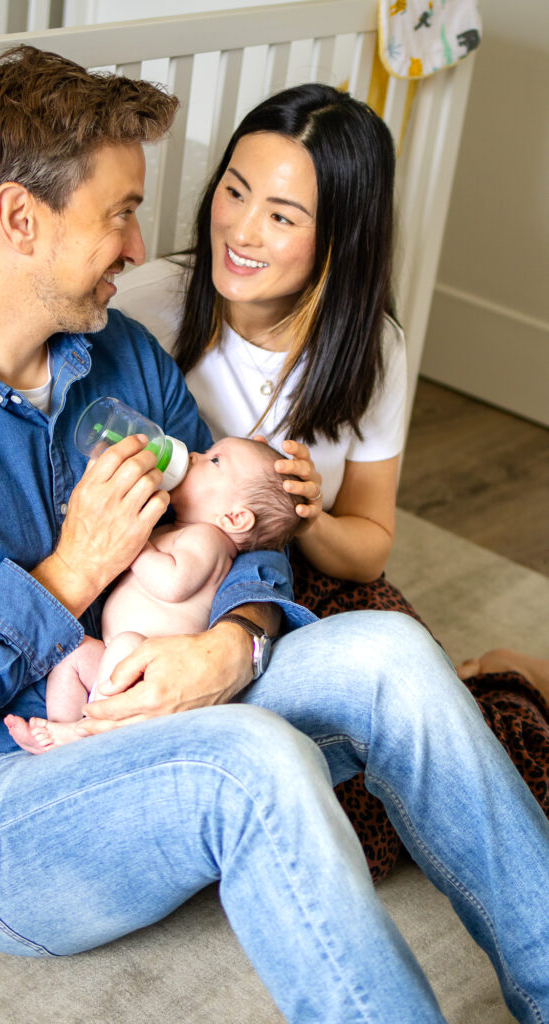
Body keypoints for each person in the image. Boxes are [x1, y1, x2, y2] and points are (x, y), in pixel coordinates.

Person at [0, 46, 547, 1024]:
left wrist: (232, 642)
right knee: (250, 759)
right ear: (21, 218)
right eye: (119, 213)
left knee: (394, 654)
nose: (141, 248)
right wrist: (66, 576)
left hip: (157, 714)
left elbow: (243, 530)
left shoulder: (121, 359)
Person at [112, 83, 549, 875]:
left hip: (316, 591)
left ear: (340, 236)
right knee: (250, 824)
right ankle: (460, 682)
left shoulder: (370, 349)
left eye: (282, 215)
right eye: (235, 193)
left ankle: (498, 682)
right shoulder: (146, 308)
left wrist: (310, 516)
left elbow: (368, 550)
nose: (242, 231)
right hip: (180, 588)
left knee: (405, 814)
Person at [6, 436, 300, 752]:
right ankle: (60, 732)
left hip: (152, 669)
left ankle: (87, 732)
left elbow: (171, 584)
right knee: (74, 652)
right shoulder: (174, 530)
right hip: (115, 659)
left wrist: (132, 543)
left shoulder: (208, 539)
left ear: (235, 518)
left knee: (127, 644)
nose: (197, 454)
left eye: (215, 460)